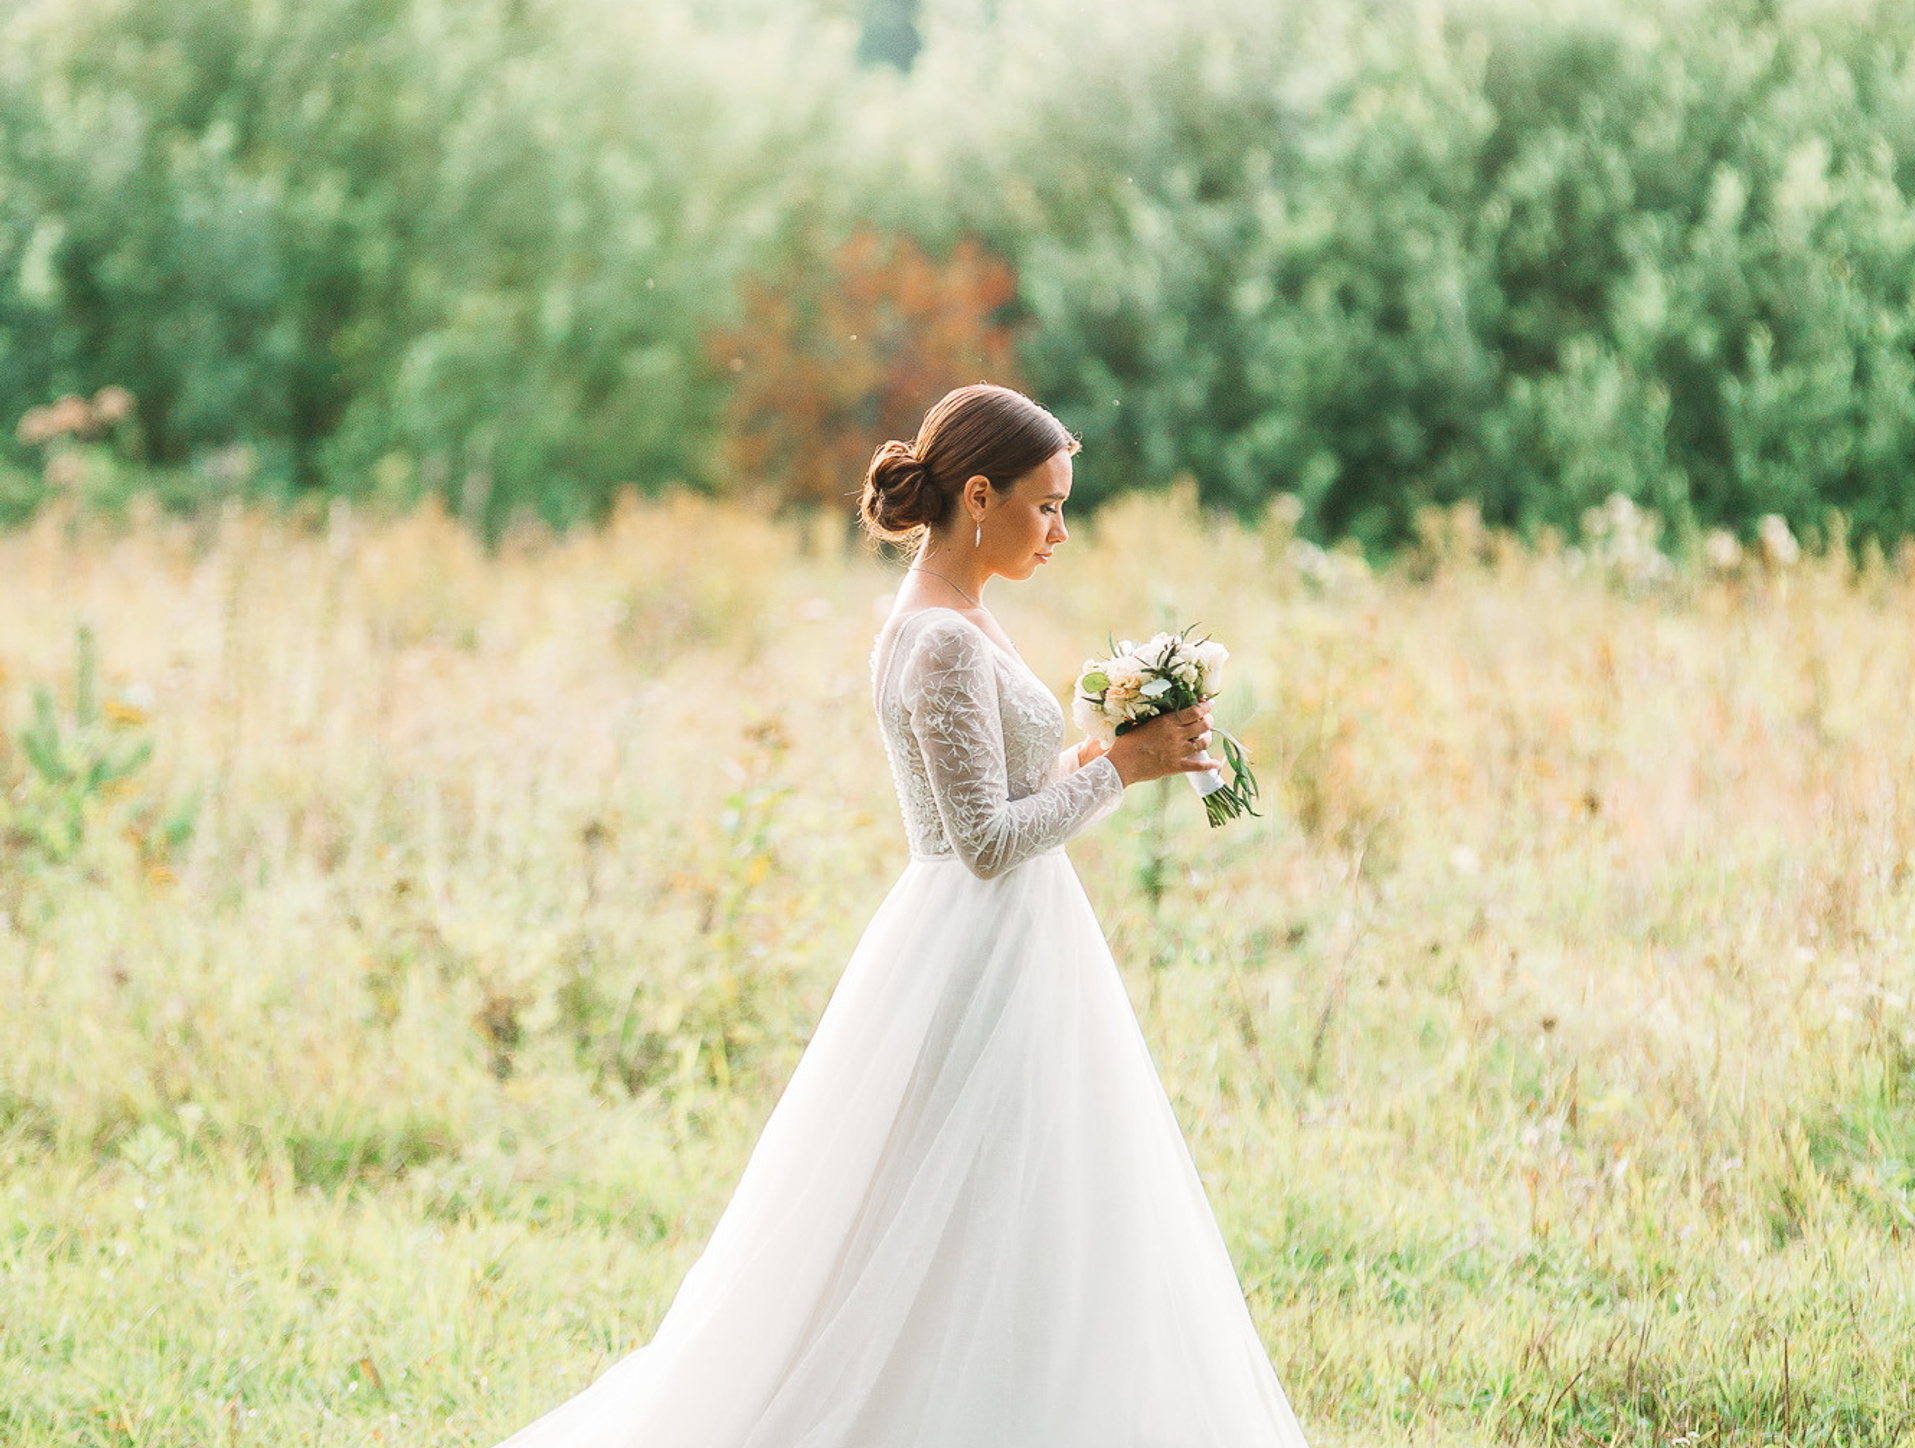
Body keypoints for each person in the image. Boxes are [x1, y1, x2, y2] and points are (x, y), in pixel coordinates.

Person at [495, 383, 1308, 1447]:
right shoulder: (941, 640)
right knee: (970, 1198)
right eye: (1047, 506)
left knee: (1039, 1200)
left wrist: (1109, 752)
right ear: (980, 497)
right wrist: (1122, 768)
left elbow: (1008, 792)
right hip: (979, 946)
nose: (1060, 531)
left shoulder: (961, 614)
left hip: (1021, 938)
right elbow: (984, 843)